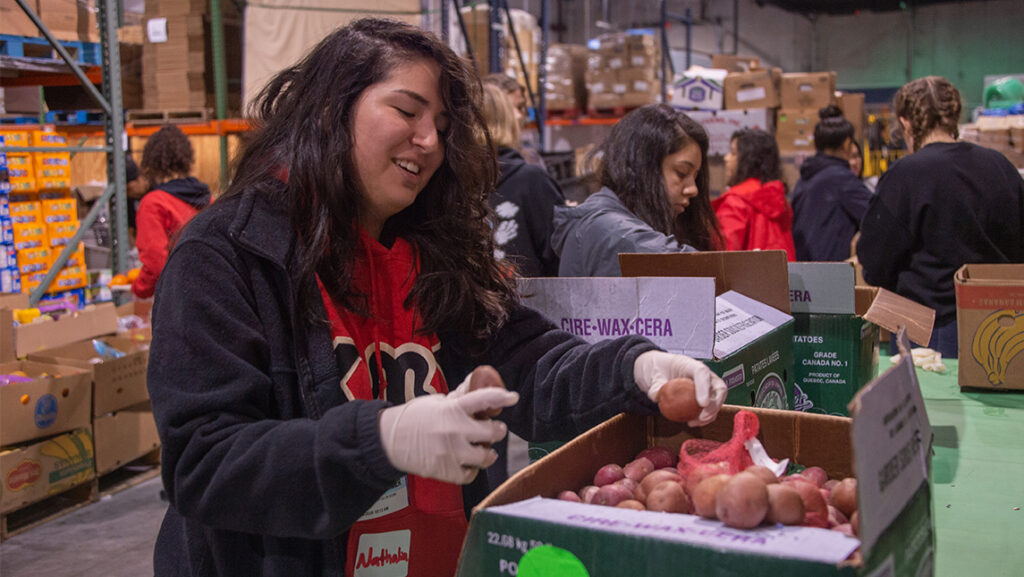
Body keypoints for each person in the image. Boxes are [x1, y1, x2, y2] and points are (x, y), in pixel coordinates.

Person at [146, 19, 726, 577]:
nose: (428, 141)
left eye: (443, 127)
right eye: (406, 111)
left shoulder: (431, 256)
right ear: (328, 109)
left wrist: (637, 368)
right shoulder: (227, 254)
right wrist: (382, 438)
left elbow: (530, 362)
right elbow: (205, 462)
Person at [857, 76, 1024, 358]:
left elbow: (874, 261)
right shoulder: (1001, 167)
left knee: (937, 401)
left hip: (930, 331)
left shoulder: (906, 174)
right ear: (953, 116)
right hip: (1003, 327)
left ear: (907, 123)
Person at [551, 103, 723, 277]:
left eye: (695, 177)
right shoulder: (611, 231)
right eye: (681, 173)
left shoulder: (601, 218)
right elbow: (698, 270)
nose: (693, 190)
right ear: (643, 167)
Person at [480, 82, 564, 277]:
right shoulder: (531, 181)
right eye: (515, 110)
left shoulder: (447, 182)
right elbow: (559, 256)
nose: (520, 116)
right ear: (504, 121)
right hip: (527, 301)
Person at [131, 125, 210, 299]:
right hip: (212, 294)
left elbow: (155, 262)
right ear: (188, 158)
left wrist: (138, 289)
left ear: (150, 162)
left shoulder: (154, 204)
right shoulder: (208, 200)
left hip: (180, 300)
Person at [791, 105, 873, 262]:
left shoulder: (804, 179)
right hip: (832, 274)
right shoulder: (841, 178)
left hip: (804, 272)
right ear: (847, 144)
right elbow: (877, 216)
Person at [713, 128, 796, 260]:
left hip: (748, 279)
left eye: (733, 153)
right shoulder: (779, 200)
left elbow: (724, 260)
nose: (726, 157)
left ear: (748, 160)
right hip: (783, 277)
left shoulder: (735, 202)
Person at [483, 73, 546, 169]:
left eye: (520, 107)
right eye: (507, 109)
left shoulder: (532, 160)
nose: (518, 116)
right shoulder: (472, 167)